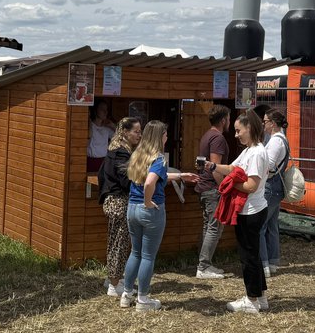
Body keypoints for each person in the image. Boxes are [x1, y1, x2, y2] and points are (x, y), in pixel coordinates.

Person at [120, 121, 198, 311]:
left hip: (132, 208)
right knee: (148, 256)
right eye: (165, 135)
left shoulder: (138, 154)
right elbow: (149, 182)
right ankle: (143, 299)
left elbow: (152, 177)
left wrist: (180, 176)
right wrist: (148, 201)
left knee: (135, 253)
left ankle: (126, 294)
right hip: (150, 210)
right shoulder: (159, 158)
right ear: (159, 137)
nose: (167, 138)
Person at [208, 111, 270, 314]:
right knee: (252, 255)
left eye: (238, 131)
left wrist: (231, 183)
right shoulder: (248, 150)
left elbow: (251, 185)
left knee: (248, 257)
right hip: (248, 210)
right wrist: (214, 166)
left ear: (249, 128)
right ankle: (260, 297)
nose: (235, 135)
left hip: (251, 211)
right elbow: (231, 168)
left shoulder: (257, 153)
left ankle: (251, 300)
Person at [97, 117, 142, 297]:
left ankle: (113, 278)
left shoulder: (112, 149)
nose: (139, 135)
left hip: (111, 201)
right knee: (120, 244)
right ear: (125, 132)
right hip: (119, 203)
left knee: (114, 242)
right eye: (136, 132)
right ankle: (114, 285)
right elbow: (126, 181)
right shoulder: (122, 153)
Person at [193, 105, 231, 279]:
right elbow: (215, 168)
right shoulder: (218, 138)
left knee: (208, 226)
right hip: (212, 188)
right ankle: (204, 266)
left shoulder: (208, 135)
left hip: (204, 187)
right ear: (223, 120)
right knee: (214, 227)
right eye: (229, 118)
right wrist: (224, 188)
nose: (230, 122)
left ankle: (204, 263)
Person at [259, 109, 289, 276]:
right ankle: (272, 262)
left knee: (261, 227)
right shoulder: (280, 139)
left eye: (265, 121)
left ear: (273, 123)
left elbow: (269, 166)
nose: (264, 124)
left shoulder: (276, 141)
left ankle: (263, 265)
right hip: (276, 188)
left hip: (270, 187)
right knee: (271, 226)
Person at [86, 99, 115, 172]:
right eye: (102, 109)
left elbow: (121, 138)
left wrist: (113, 126)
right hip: (91, 161)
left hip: (104, 161)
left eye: (106, 109)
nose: (105, 112)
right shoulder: (90, 126)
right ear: (96, 111)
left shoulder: (107, 128)